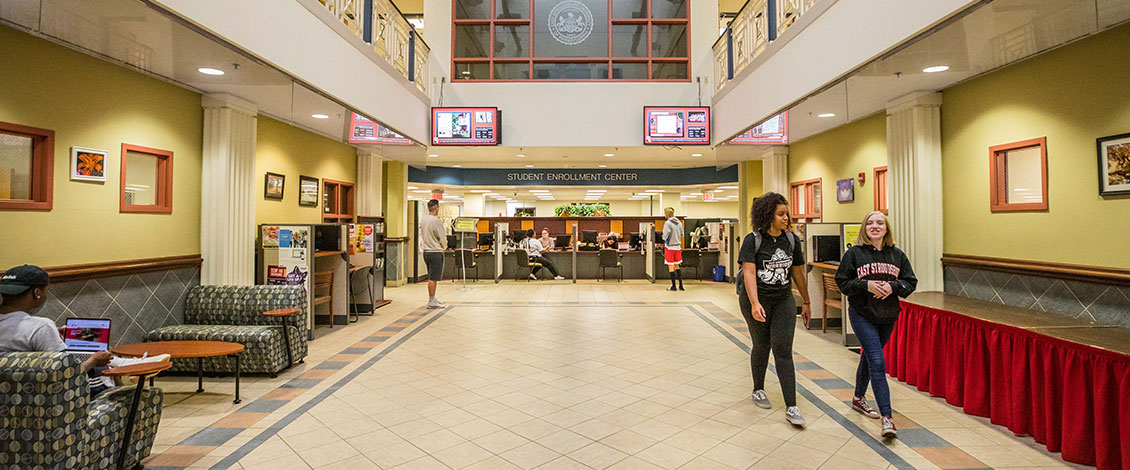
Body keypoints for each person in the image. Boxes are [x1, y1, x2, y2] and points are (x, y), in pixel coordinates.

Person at [0, 265, 167, 397]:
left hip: (14, 398)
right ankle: (126, 367)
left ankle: (124, 364)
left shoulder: (40, 329)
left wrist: (54, 335)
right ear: (37, 293)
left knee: (93, 358)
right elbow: (64, 374)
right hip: (56, 397)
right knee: (102, 369)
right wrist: (93, 360)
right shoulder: (40, 327)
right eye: (45, 291)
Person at [835, 211, 917, 439]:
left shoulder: (897, 255)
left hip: (888, 316)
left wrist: (893, 287)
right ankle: (887, 418)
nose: (875, 226)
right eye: (870, 223)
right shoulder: (854, 254)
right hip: (862, 314)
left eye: (880, 223)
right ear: (864, 228)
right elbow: (842, 282)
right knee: (878, 362)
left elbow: (910, 282)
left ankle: (858, 398)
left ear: (886, 228)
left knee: (869, 357)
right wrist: (866, 286)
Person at [737, 192, 811, 427]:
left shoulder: (791, 240)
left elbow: (797, 271)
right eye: (781, 214)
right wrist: (755, 302)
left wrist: (807, 302)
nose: (786, 218)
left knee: (783, 350)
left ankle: (792, 405)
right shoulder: (753, 240)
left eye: (786, 213)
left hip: (783, 300)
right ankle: (758, 389)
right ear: (768, 216)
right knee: (762, 344)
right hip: (755, 300)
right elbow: (749, 272)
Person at [419, 199, 447, 308]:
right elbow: (442, 237)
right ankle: (431, 301)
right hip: (436, 251)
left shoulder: (423, 220)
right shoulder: (436, 221)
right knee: (433, 277)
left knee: (431, 275)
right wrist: (444, 247)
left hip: (427, 252)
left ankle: (433, 298)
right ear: (436, 208)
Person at [661, 207, 685, 291]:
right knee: (677, 266)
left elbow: (665, 235)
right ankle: (681, 286)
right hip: (678, 247)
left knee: (671, 267)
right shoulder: (679, 223)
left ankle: (673, 286)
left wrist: (664, 239)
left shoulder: (667, 223)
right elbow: (682, 234)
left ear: (667, 214)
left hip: (670, 247)